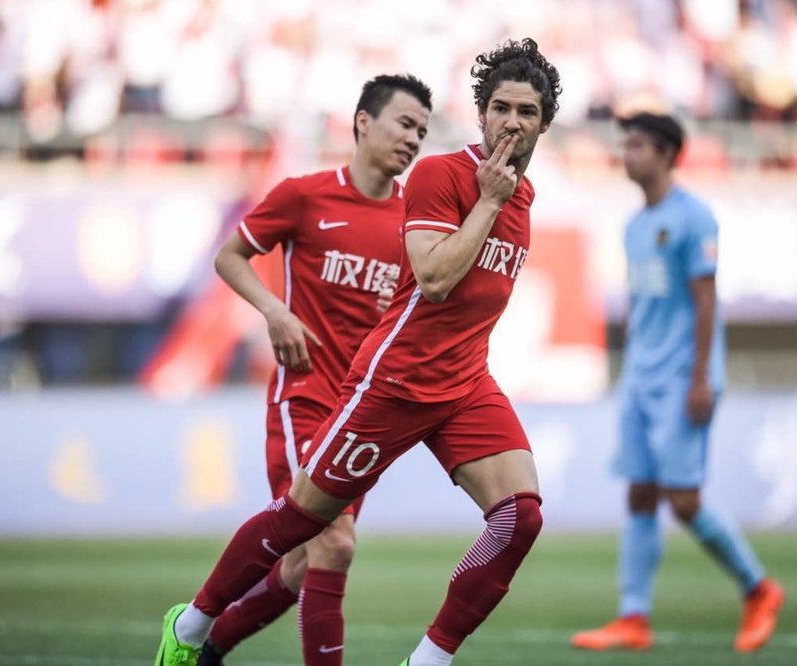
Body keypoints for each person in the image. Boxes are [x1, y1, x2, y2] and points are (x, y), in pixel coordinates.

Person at [154, 37, 562, 666]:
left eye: (527, 112)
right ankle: (191, 628)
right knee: (304, 527)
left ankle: (427, 661)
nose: (512, 122)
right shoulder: (442, 176)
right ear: (481, 114)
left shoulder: (523, 197)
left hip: (465, 385)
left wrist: (499, 199)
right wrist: (488, 202)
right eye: (501, 108)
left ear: (544, 123)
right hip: (393, 383)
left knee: (520, 519)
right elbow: (433, 279)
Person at [153, 73, 433, 666]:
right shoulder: (305, 195)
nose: (414, 139)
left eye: (422, 131)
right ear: (364, 121)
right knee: (334, 540)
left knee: (303, 561)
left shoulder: (416, 221)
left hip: (363, 414)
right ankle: (199, 629)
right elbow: (230, 257)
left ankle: (204, 641)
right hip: (303, 395)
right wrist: (274, 311)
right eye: (404, 123)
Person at [571, 112, 784, 654]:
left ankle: (759, 588)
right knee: (640, 494)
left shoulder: (694, 218)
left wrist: (700, 379)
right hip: (641, 380)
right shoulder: (632, 223)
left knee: (684, 501)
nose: (627, 154)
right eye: (626, 145)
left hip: (683, 380)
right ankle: (633, 617)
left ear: (667, 153)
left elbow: (706, 301)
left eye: (637, 145)